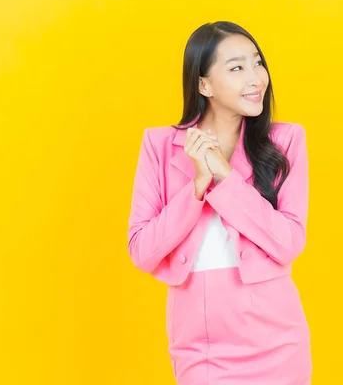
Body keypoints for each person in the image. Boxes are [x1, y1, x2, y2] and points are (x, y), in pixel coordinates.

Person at [127, 21, 311, 385]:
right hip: (200, 347)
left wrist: (226, 176)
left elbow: (288, 243)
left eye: (258, 63)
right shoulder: (159, 146)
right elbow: (141, 251)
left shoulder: (286, 140)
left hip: (277, 342)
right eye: (237, 68)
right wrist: (197, 186)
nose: (256, 78)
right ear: (204, 84)